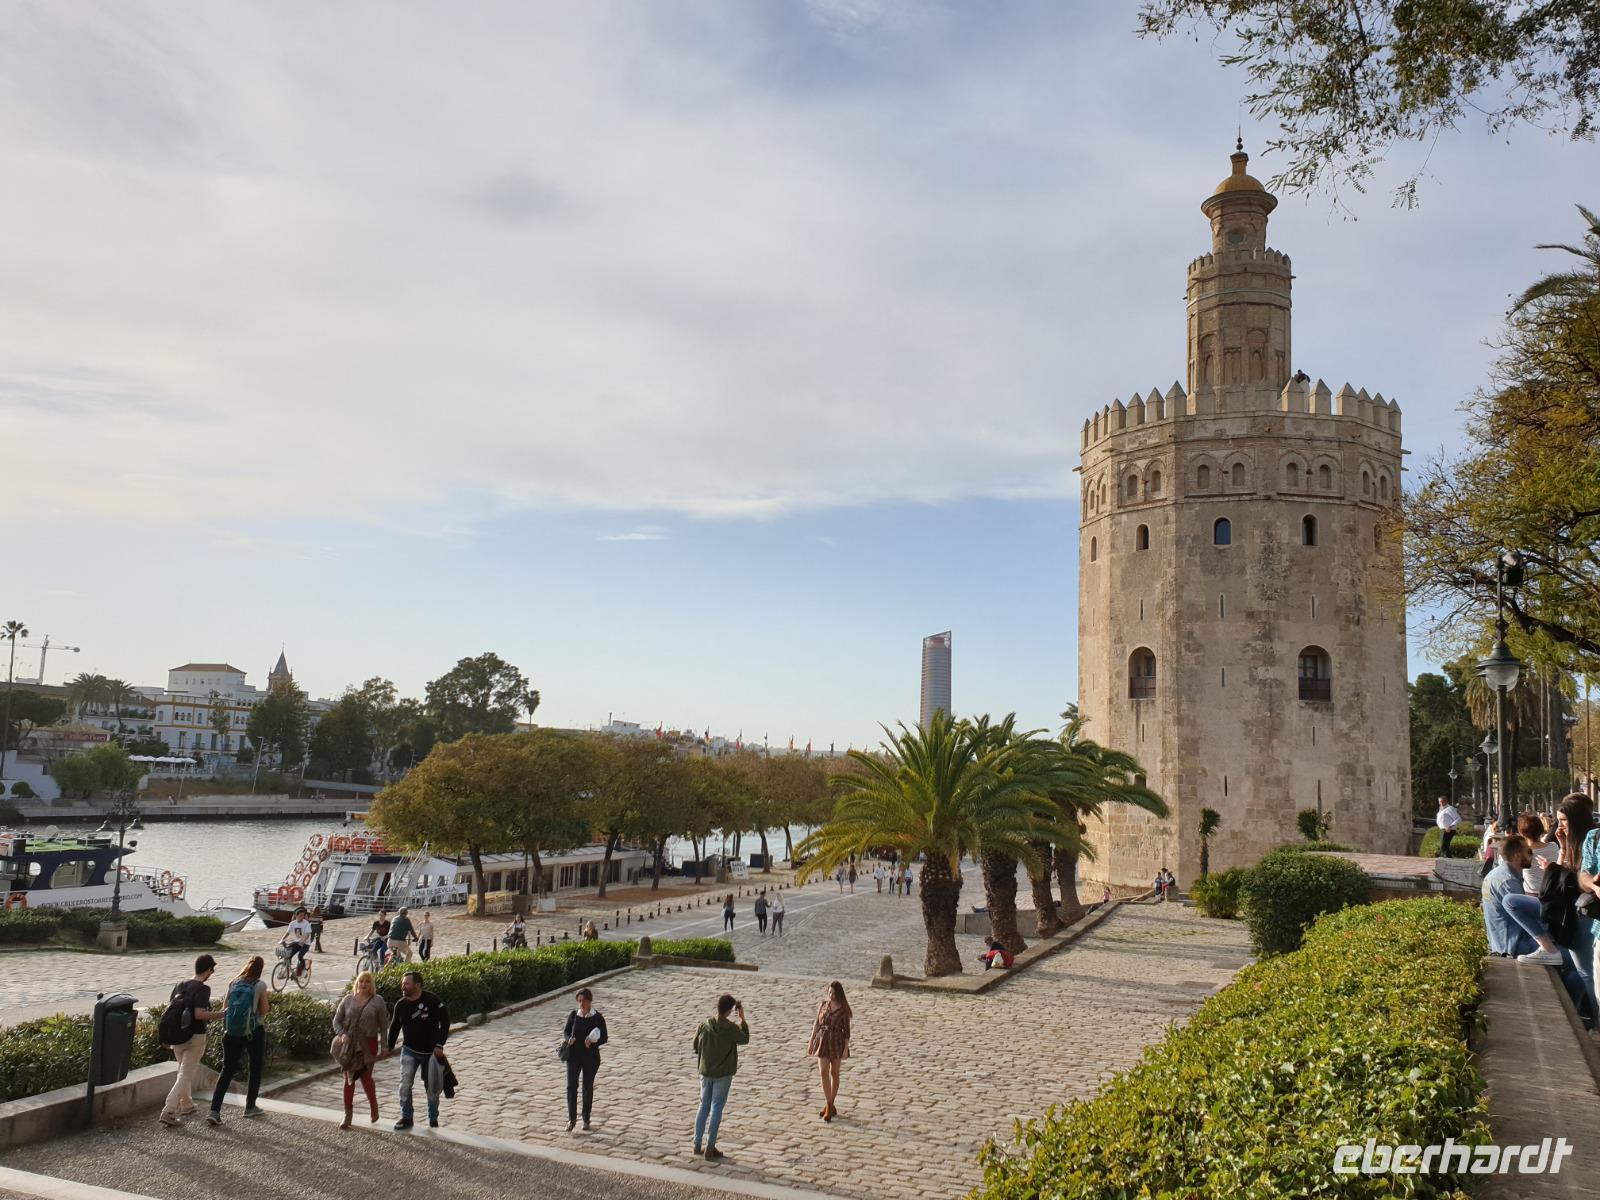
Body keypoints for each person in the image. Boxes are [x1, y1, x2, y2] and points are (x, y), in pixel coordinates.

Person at [157, 954, 219, 1127]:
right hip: (195, 1037)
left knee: (182, 1073)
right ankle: (168, 1110)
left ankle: (187, 1105)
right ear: (207, 970)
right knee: (186, 1074)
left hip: (176, 1036)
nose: (212, 973)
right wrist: (222, 1014)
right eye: (212, 970)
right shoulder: (203, 989)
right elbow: (199, 1014)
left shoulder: (180, 985)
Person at [207, 955, 269, 1125]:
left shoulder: (234, 983)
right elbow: (263, 1010)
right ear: (260, 969)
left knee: (227, 1070)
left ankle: (214, 1110)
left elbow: (225, 1007)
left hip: (231, 1032)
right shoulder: (260, 985)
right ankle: (250, 1107)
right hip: (254, 1032)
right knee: (255, 1068)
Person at [388, 969, 450, 1130]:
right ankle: (406, 1117)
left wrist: (439, 1044)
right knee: (405, 1084)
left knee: (432, 1088)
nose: (403, 987)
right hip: (409, 1050)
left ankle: (433, 1118)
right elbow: (395, 1027)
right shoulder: (401, 1005)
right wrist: (388, 1047)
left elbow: (445, 1022)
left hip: (431, 1053)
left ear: (417, 985)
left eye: (406, 984)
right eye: (402, 984)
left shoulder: (433, 1000)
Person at [693, 993, 749, 1161]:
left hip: (705, 1071)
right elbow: (745, 1039)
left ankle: (697, 1144)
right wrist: (743, 1019)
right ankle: (710, 1147)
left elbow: (695, 1044)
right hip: (722, 1074)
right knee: (716, 1108)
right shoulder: (731, 1029)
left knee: (703, 1106)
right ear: (730, 1011)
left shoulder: (705, 1024)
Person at [333, 970, 389, 1129]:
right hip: (349, 1044)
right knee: (348, 1079)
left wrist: (384, 1046)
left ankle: (373, 1105)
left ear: (371, 984)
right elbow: (336, 1021)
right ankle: (347, 1115)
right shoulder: (348, 1000)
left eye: (367, 981)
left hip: (368, 1043)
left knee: (365, 1077)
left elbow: (384, 1026)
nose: (364, 984)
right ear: (356, 983)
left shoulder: (377, 1001)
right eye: (361, 981)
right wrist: (342, 1034)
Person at [1482, 835, 1538, 957]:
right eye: (1529, 852)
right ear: (1517, 856)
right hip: (1516, 947)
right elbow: (1527, 915)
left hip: (1501, 944)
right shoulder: (1508, 882)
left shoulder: (1495, 875)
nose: (1532, 856)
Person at [562, 986, 609, 1131]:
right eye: (579, 1001)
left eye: (584, 1001)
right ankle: (571, 1120)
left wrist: (593, 1041)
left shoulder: (597, 1017)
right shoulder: (573, 1016)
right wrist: (569, 1039)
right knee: (571, 1086)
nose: (581, 1004)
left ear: (590, 1001)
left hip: (590, 1057)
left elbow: (604, 1037)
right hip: (574, 1056)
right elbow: (566, 1031)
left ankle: (586, 1118)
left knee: (587, 1087)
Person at [807, 981, 851, 1121]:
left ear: (839, 994)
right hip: (823, 1041)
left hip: (837, 1042)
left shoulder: (843, 1010)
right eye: (829, 992)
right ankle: (828, 1104)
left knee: (835, 1073)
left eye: (834, 993)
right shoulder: (823, 1005)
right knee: (823, 1072)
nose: (831, 995)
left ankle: (830, 1105)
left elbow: (847, 1033)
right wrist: (811, 1041)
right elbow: (817, 1024)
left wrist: (845, 1049)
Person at [280, 907, 313, 978]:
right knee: (288, 955)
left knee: (300, 956)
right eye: (301, 915)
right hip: (297, 942)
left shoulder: (306, 923)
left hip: (306, 943)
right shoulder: (292, 923)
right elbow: (287, 932)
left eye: (303, 915)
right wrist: (282, 939)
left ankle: (305, 969)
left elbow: (307, 934)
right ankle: (287, 970)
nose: (302, 917)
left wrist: (303, 941)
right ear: (296, 916)